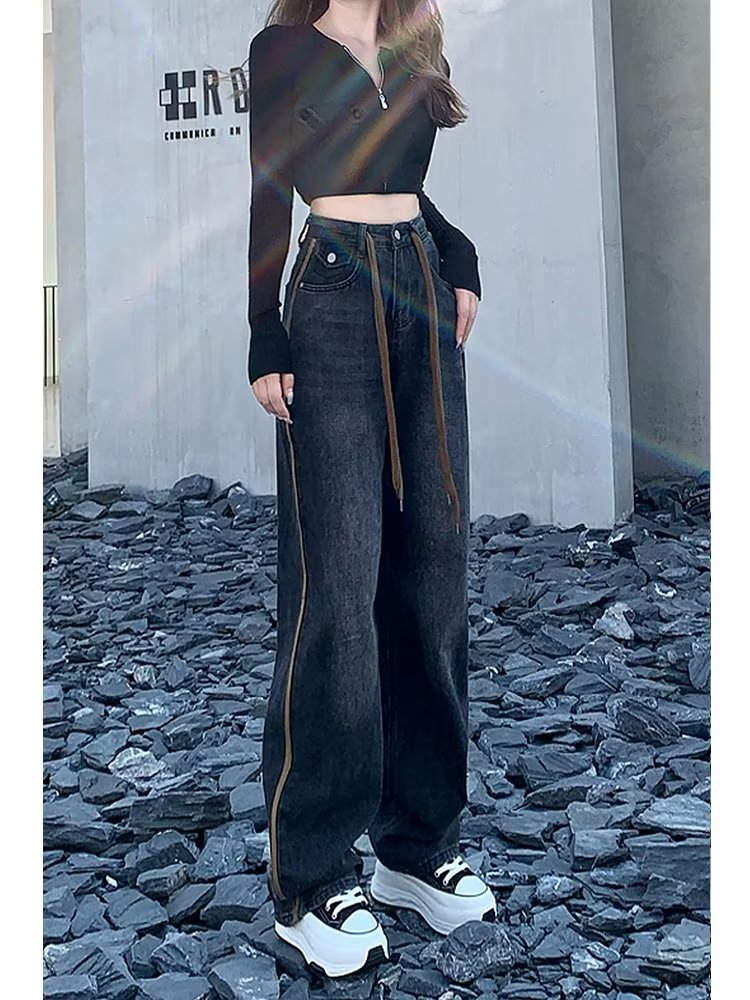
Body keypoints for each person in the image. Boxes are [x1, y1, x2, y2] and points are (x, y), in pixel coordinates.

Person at [246, 0, 497, 978]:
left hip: (420, 295)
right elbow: (273, 189)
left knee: (434, 578)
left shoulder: (413, 38)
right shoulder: (285, 48)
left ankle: (416, 847)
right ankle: (312, 879)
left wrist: (456, 250)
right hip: (333, 300)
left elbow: (403, 188)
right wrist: (264, 329)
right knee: (337, 592)